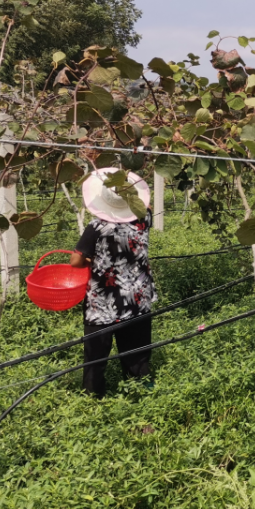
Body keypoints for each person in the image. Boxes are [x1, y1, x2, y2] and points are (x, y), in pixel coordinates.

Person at [69, 168, 157, 397]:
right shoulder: (143, 219)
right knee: (137, 350)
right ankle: (143, 390)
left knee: (96, 355)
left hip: (104, 301)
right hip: (138, 296)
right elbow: (147, 206)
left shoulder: (97, 226)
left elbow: (76, 261)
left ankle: (93, 396)